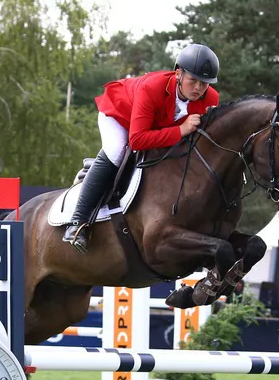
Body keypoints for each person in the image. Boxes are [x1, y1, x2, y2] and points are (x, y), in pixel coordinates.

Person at [62, 43, 222, 253]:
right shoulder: (152, 87)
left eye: (205, 84)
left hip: (154, 125)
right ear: (178, 74)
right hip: (119, 115)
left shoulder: (211, 99)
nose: (199, 89)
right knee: (118, 151)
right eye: (193, 80)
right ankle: (77, 224)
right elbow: (137, 140)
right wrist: (181, 130)